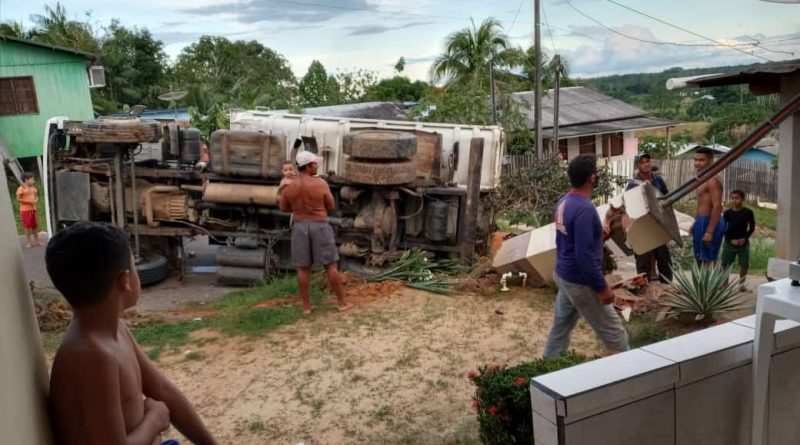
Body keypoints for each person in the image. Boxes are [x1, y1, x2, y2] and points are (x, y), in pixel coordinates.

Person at [46, 222, 218, 445]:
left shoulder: (115, 330)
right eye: (135, 267)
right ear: (124, 281)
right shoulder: (93, 356)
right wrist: (154, 419)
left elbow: (163, 390)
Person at [543, 155, 629, 358]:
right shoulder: (585, 208)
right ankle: (625, 381)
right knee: (616, 337)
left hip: (563, 275)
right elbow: (583, 256)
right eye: (596, 174)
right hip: (580, 281)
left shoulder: (564, 202)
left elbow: (566, 240)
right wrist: (602, 288)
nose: (597, 176)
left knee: (560, 328)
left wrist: (597, 236)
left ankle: (546, 371)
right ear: (591, 178)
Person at [280, 151, 354, 315]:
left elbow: (284, 208)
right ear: (307, 166)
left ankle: (306, 307)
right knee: (330, 265)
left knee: (303, 268)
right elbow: (330, 204)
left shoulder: (288, 185)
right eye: (314, 164)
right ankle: (342, 303)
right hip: (319, 225)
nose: (317, 165)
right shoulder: (320, 183)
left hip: (300, 226)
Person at [625, 154, 673, 283]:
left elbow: (667, 198)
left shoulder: (658, 180)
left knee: (664, 259)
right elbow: (630, 207)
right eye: (642, 162)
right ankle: (643, 289)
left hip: (658, 225)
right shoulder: (633, 184)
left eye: (648, 161)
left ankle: (667, 289)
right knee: (643, 261)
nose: (646, 164)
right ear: (637, 166)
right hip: (642, 227)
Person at [690, 147, 725, 266]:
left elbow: (717, 206)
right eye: (695, 160)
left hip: (708, 221)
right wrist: (696, 222)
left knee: (705, 259)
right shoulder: (702, 178)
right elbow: (702, 203)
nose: (697, 163)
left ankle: (706, 285)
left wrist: (709, 231)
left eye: (701, 160)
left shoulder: (712, 180)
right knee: (703, 257)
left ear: (710, 160)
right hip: (702, 220)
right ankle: (707, 284)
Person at [721, 189, 756, 287]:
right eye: (732, 198)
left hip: (743, 243)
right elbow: (723, 228)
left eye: (737, 198)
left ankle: (741, 285)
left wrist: (744, 238)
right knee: (725, 264)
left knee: (744, 264)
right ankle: (724, 284)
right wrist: (730, 239)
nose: (734, 200)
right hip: (729, 243)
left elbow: (752, 227)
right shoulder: (727, 213)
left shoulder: (748, 212)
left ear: (742, 199)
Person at [16, 172, 41, 248]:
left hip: (33, 209)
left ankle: (37, 240)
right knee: (27, 226)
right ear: (26, 180)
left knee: (35, 225)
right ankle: (29, 242)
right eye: (32, 179)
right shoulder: (21, 188)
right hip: (25, 210)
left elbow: (36, 197)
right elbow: (18, 199)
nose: (33, 181)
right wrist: (29, 201)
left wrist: (36, 200)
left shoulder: (33, 188)